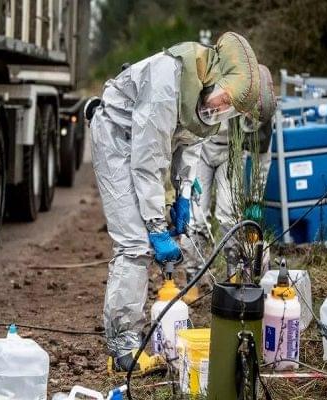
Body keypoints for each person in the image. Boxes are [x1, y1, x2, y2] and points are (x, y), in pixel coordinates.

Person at [88, 32, 260, 374]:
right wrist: (156, 226)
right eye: (224, 100)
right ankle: (122, 349)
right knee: (134, 243)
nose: (221, 109)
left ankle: (128, 339)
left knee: (143, 235)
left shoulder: (206, 101)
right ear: (217, 74)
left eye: (229, 108)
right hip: (116, 137)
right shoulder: (169, 80)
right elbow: (148, 162)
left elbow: (190, 145)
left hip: (142, 144)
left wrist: (182, 196)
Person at [184, 64, 277, 284]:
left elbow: (262, 160)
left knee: (228, 216)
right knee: (197, 218)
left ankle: (233, 276)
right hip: (201, 149)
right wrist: (185, 169)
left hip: (231, 154)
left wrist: (255, 200)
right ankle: (193, 277)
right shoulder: (217, 87)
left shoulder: (264, 116)